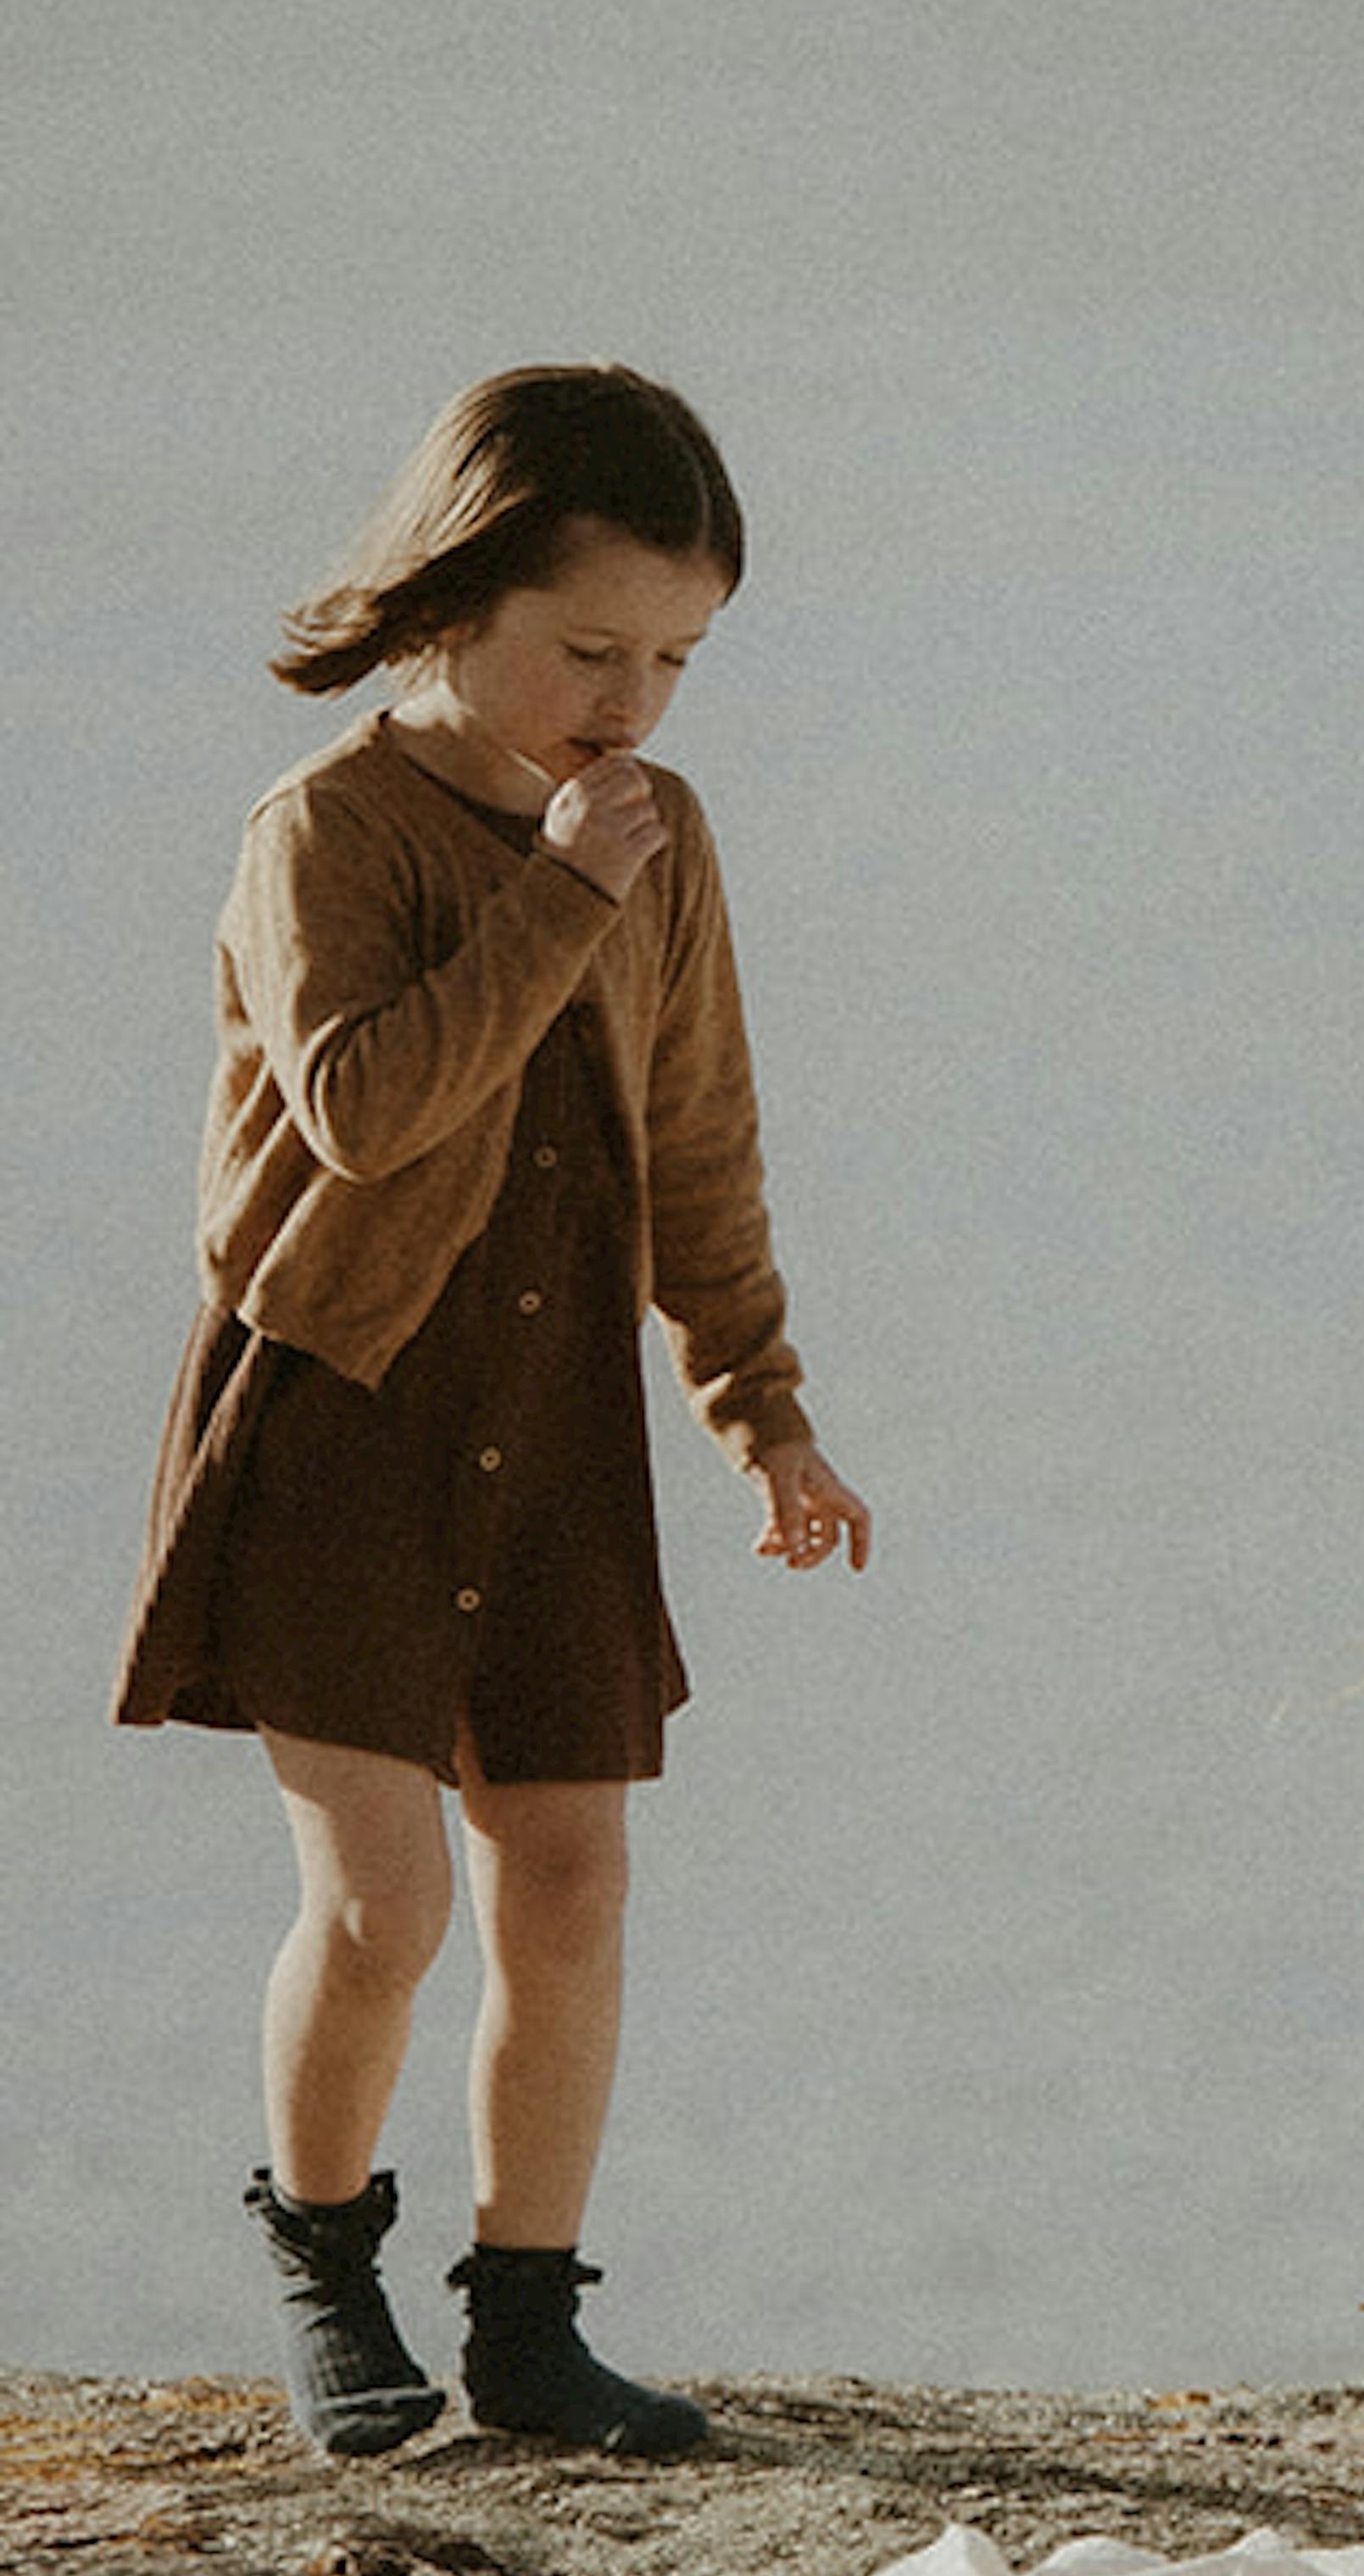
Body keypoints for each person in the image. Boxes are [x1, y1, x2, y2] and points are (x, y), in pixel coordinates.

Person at [124, 367, 877, 2464]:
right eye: (591, 649)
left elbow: (702, 1143)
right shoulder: (326, 829)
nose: (632, 703)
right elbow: (365, 1113)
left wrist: (765, 1410)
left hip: (555, 1423)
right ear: (454, 600)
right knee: (384, 1905)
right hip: (340, 1409)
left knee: (569, 1880)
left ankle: (531, 2325)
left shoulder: (662, 835)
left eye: (677, 660)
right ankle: (325, 2271)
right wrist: (557, 896)